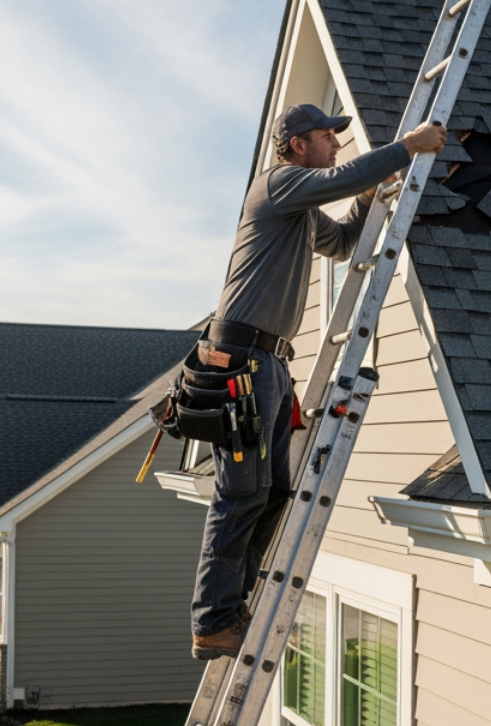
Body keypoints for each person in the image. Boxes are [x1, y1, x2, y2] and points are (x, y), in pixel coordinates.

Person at [190, 103, 448, 659]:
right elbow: (337, 177)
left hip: (271, 364)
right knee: (240, 495)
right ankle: (212, 620)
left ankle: (234, 607)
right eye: (328, 136)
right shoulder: (278, 184)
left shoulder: (299, 210)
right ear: (298, 144)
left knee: (275, 490)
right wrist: (408, 147)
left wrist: (365, 201)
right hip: (240, 358)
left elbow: (341, 244)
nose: (337, 143)